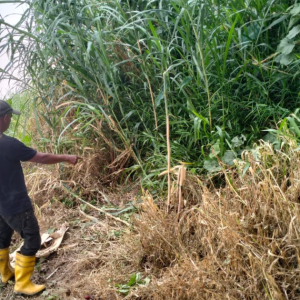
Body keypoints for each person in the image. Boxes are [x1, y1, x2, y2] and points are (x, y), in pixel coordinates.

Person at [0, 100, 81, 296]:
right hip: (16, 204)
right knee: (32, 239)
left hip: (1, 205)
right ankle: (22, 283)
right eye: (10, 117)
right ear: (4, 118)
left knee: (2, 238)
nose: (10, 120)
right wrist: (66, 157)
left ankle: (5, 273)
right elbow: (41, 158)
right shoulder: (8, 144)